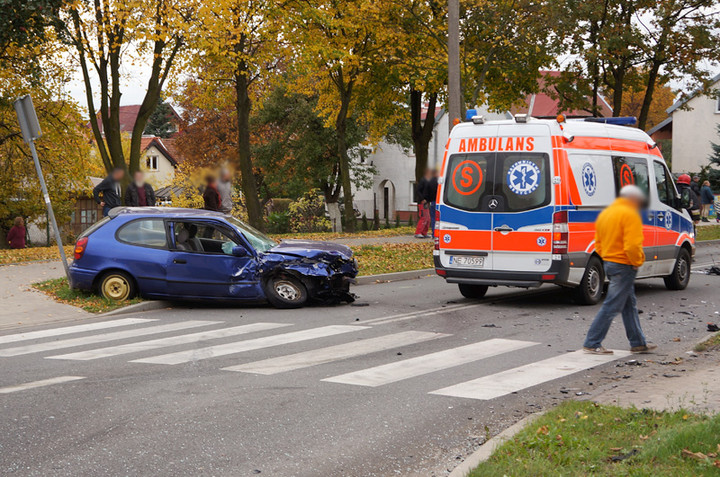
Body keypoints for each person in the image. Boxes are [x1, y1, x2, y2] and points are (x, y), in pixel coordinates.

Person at [582, 185, 657, 355]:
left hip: (610, 262)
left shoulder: (606, 214)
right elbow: (632, 245)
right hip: (624, 264)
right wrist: (637, 261)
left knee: (629, 304)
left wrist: (608, 256)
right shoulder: (630, 214)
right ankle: (592, 342)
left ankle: (638, 342)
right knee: (612, 305)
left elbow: (598, 243)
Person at [414, 169, 431, 238]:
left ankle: (424, 232)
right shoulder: (423, 181)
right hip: (422, 202)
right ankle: (418, 232)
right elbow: (418, 190)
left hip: (426, 202)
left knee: (428, 218)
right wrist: (422, 199)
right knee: (423, 217)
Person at [424, 168, 439, 235]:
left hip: (432, 201)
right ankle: (438, 233)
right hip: (438, 202)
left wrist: (427, 200)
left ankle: (433, 233)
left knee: (433, 218)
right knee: (438, 219)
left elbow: (427, 192)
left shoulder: (430, 182)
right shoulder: (439, 181)